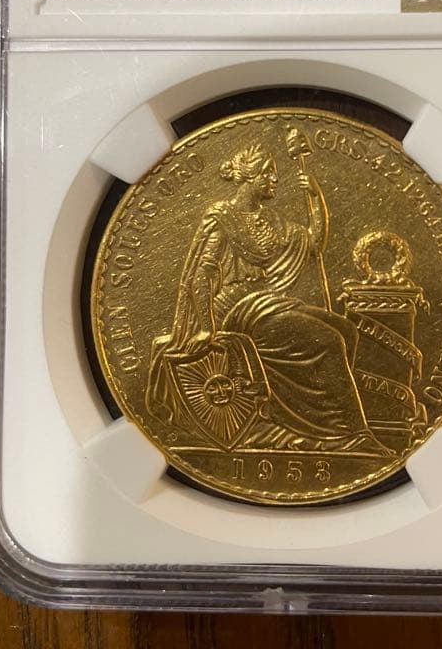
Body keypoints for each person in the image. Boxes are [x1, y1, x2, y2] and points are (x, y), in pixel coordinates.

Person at [146, 141, 390, 454]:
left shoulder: (271, 220)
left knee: (346, 330)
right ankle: (347, 434)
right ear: (250, 177)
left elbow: (313, 243)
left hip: (265, 302)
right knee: (328, 340)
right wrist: (208, 329)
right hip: (236, 310)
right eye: (268, 174)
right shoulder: (223, 217)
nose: (275, 180)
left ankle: (312, 422)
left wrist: (316, 198)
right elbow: (202, 276)